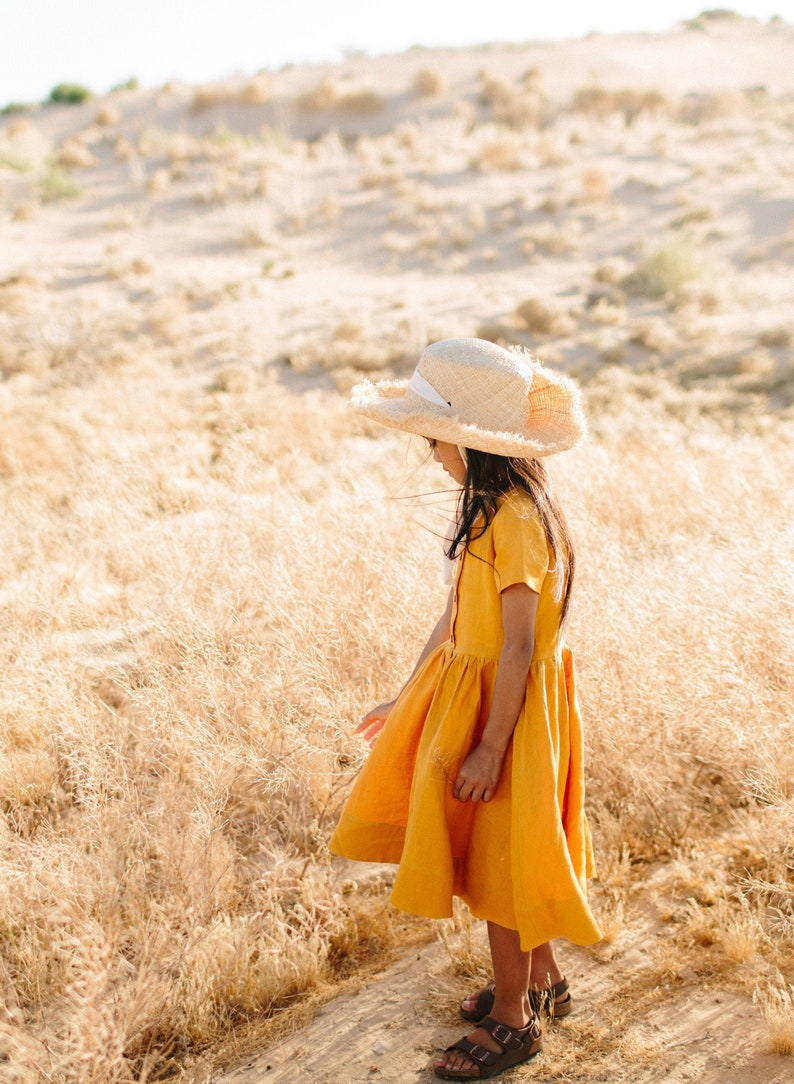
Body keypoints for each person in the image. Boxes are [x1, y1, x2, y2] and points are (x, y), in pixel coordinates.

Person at [330, 337, 601, 1080]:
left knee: (501, 866)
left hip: (507, 710)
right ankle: (541, 980)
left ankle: (515, 1022)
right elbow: (456, 612)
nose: (430, 452)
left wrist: (489, 745)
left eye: (435, 438)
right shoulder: (488, 506)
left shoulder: (515, 519)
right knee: (505, 846)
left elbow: (517, 648)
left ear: (473, 444)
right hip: (476, 696)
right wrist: (408, 692)